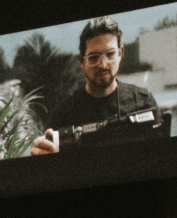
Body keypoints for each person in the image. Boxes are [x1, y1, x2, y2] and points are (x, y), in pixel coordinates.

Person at [27, 19, 157, 155]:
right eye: (94, 58)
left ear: (120, 53)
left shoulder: (144, 102)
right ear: (82, 61)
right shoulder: (62, 117)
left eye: (110, 54)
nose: (103, 65)